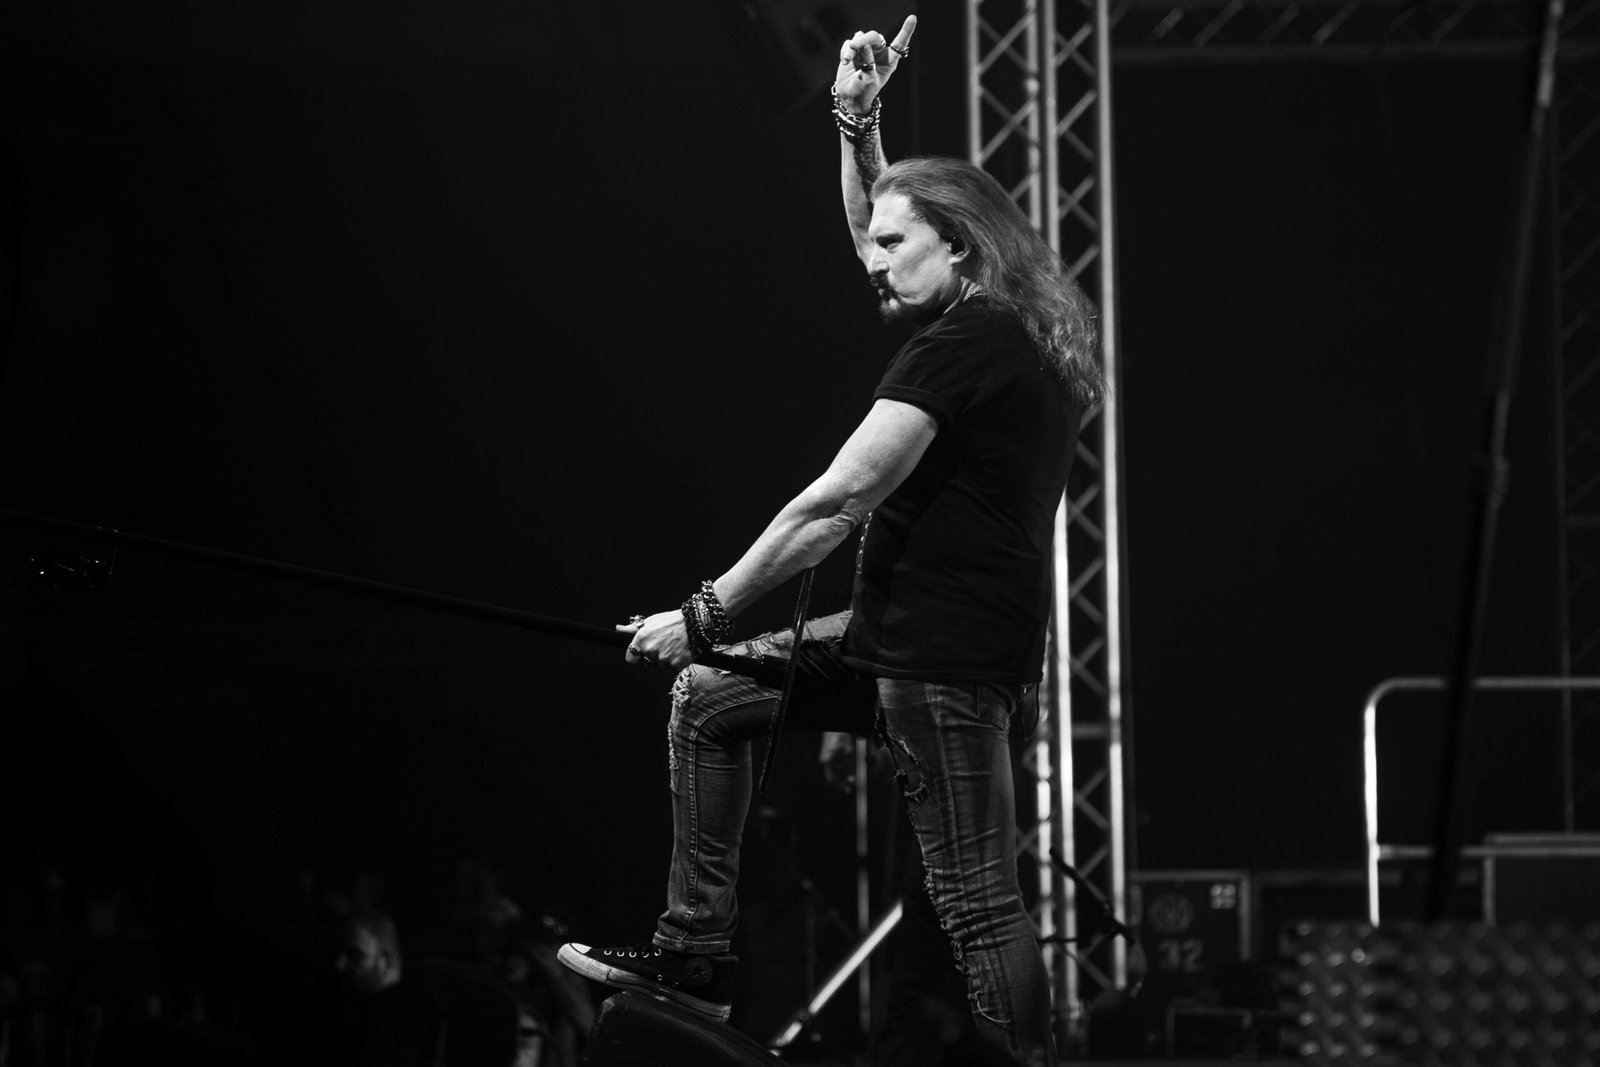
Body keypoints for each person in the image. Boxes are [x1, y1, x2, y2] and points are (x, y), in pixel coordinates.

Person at [557, 15, 1102, 1067]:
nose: (871, 260)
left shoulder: (968, 343)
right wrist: (857, 124)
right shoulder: (1001, 321)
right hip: (896, 640)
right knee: (709, 697)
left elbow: (836, 502)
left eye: (895, 247)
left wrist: (704, 611)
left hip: (944, 665)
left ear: (959, 245)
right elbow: (875, 225)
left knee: (977, 903)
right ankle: (694, 954)